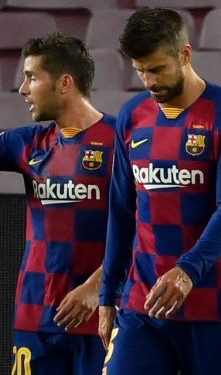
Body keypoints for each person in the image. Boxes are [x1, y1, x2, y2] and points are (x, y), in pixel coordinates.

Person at [99, 7, 221, 374]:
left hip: (214, 307)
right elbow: (122, 210)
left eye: (156, 69)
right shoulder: (132, 116)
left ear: (184, 54)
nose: (148, 81)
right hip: (143, 308)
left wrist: (187, 270)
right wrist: (109, 295)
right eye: (140, 71)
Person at [0, 32, 116, 374]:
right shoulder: (27, 144)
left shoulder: (123, 142)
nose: (23, 89)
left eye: (32, 77)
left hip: (102, 321)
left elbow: (147, 230)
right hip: (35, 320)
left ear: (64, 83)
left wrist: (96, 288)